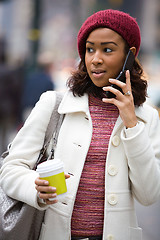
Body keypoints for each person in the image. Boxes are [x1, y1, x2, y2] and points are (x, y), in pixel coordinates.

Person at [1, 9, 160, 240]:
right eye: (89, 49)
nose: (95, 58)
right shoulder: (54, 104)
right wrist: (36, 187)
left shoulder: (146, 118)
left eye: (107, 49)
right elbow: (10, 169)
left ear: (129, 55)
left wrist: (131, 124)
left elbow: (149, 194)